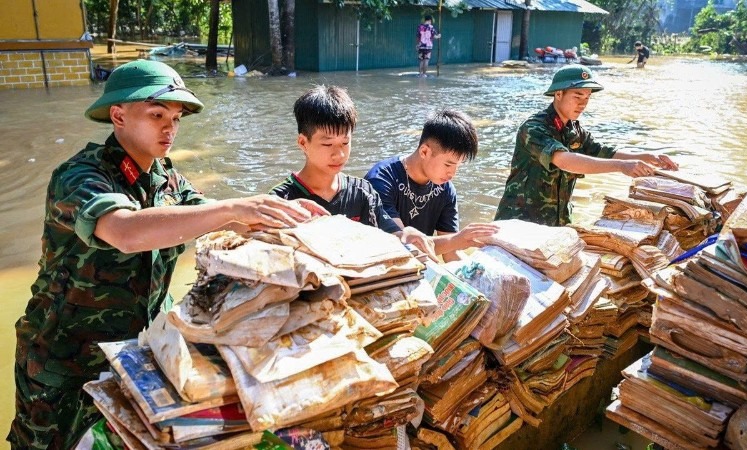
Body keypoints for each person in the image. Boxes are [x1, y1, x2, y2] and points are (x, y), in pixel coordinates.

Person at [7, 60, 328, 450]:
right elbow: (125, 232)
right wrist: (234, 208)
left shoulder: (168, 180)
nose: (170, 127)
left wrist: (287, 218)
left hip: (137, 354)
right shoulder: (80, 176)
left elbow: (223, 221)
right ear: (118, 116)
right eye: (157, 114)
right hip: (64, 362)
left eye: (175, 118)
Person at [494, 65, 678, 226]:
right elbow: (564, 160)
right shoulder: (534, 128)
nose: (583, 104)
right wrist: (622, 166)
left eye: (587, 97)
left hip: (557, 222)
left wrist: (649, 158)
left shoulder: (574, 130)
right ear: (558, 94)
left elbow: (604, 152)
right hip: (519, 222)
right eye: (577, 96)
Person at [270, 85, 437, 258]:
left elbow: (391, 234)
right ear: (303, 143)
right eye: (327, 144)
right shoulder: (281, 200)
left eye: (345, 143)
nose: (339, 154)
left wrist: (404, 235)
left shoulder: (363, 193)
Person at [365, 110, 497, 262]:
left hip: (414, 265)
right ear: (424, 151)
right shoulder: (381, 180)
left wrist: (475, 269)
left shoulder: (445, 189)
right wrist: (457, 239)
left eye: (458, 166)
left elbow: (450, 254)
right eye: (448, 164)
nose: (452, 174)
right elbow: (402, 244)